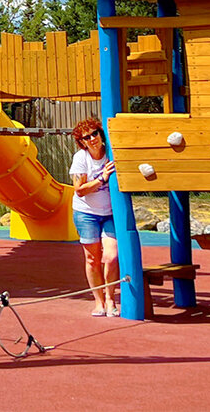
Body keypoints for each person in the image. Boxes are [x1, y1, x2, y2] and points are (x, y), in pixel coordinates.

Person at [70, 117, 119, 317]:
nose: (92, 139)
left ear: (101, 134)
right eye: (86, 138)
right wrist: (101, 178)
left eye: (94, 134)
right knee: (92, 259)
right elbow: (79, 190)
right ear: (82, 142)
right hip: (86, 213)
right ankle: (98, 301)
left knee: (111, 256)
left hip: (109, 213)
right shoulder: (81, 158)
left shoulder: (111, 154)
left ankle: (110, 298)